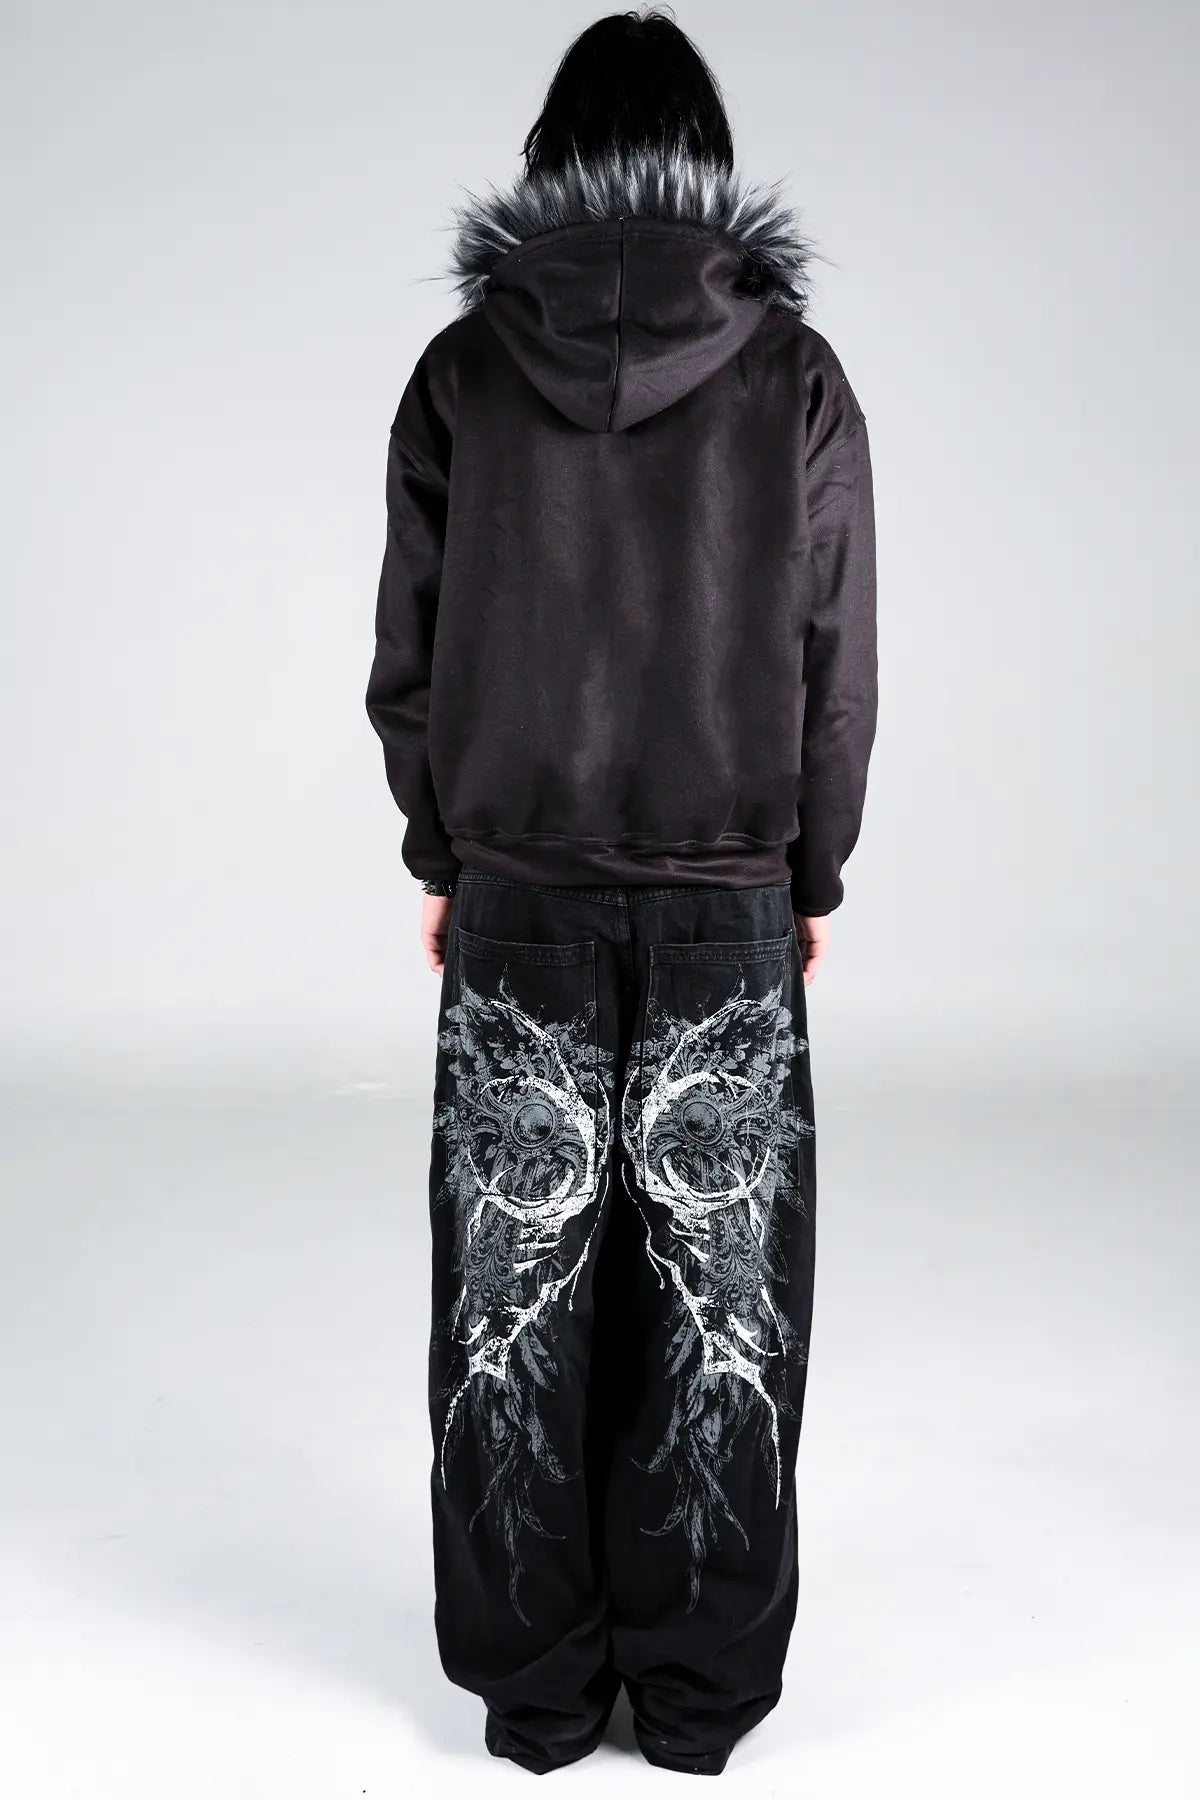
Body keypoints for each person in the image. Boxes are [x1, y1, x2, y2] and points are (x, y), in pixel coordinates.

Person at [366, 9, 877, 1776]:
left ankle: (536, 1696)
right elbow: (832, 660)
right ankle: (701, 1697)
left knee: (510, 1305)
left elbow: (413, 649)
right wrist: (811, 869)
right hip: (727, 892)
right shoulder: (791, 373)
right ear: (704, 162)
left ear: (551, 161)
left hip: (522, 891)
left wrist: (444, 852)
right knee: (723, 1307)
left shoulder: (463, 371)